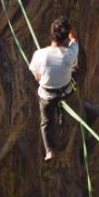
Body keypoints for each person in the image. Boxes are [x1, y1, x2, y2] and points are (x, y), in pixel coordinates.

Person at [29, 17, 79, 161]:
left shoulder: (39, 54)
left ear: (51, 34)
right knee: (74, 70)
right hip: (65, 91)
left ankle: (49, 151)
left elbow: (37, 76)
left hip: (47, 95)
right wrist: (72, 34)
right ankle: (62, 116)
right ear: (65, 38)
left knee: (46, 121)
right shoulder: (70, 54)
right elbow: (74, 40)